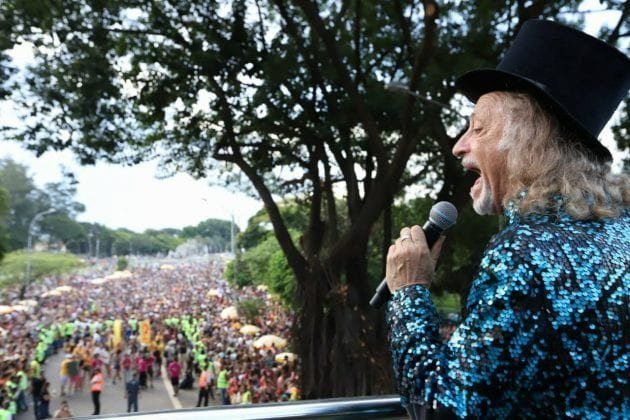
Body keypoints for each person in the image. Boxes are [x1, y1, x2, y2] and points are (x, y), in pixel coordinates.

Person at [385, 20, 629, 419]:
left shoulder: (525, 252)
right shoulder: (624, 231)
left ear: (523, 142)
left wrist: (409, 293)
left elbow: (442, 409)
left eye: (477, 128)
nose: (458, 145)